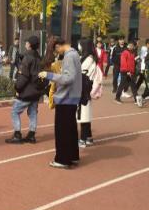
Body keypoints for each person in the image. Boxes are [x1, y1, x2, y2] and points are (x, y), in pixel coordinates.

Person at [38, 37, 82, 168]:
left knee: (62, 131)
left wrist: (49, 75)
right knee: (70, 129)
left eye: (55, 51)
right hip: (72, 97)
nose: (56, 54)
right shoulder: (74, 54)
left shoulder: (69, 56)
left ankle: (63, 159)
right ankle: (72, 156)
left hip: (65, 98)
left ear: (58, 46)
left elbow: (68, 78)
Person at [6, 35, 42, 144]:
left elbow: (23, 76)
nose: (25, 43)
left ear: (29, 45)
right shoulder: (39, 58)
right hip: (36, 91)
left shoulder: (28, 58)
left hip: (26, 91)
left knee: (15, 112)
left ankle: (17, 134)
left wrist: (17, 88)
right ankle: (31, 135)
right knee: (33, 112)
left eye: (27, 42)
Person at [78, 38, 103, 148]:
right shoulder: (89, 58)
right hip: (86, 88)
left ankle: (83, 139)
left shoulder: (87, 60)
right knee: (85, 113)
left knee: (83, 114)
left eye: (80, 45)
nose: (79, 47)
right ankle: (88, 137)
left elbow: (81, 73)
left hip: (84, 89)